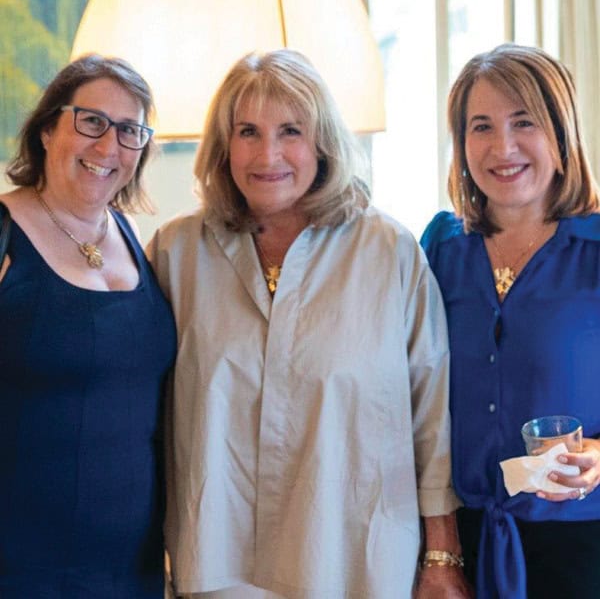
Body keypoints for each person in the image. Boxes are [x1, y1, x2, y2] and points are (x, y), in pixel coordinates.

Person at [148, 49, 471, 599]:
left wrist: (442, 555)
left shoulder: (387, 251)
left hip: (353, 561)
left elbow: (431, 415)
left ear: (322, 143)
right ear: (224, 146)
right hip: (218, 561)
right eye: (247, 131)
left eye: (290, 131)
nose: (267, 153)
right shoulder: (176, 253)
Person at [421, 43, 600, 599]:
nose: (503, 147)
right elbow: (410, 406)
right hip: (458, 543)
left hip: (582, 546)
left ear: (562, 133)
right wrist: (440, 550)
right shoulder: (439, 249)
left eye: (524, 122)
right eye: (481, 126)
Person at [0, 54, 176, 597]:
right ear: (49, 130)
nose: (108, 147)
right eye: (91, 122)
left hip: (131, 567)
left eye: (129, 131)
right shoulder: (5, 233)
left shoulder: (137, 239)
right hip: (19, 563)